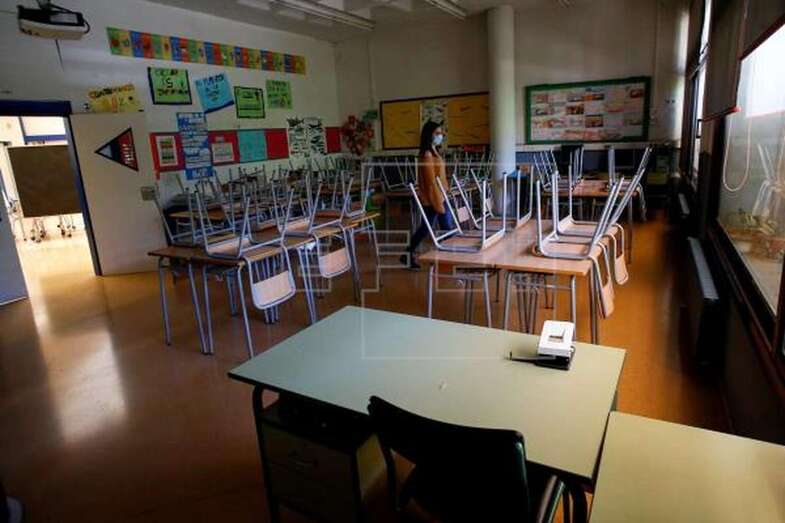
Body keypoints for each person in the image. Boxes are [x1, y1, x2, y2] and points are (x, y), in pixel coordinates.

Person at [401, 121, 454, 269]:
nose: (440, 136)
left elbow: (440, 177)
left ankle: (407, 254)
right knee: (445, 228)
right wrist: (439, 204)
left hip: (440, 196)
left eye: (441, 133)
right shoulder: (427, 155)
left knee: (430, 228)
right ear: (429, 135)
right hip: (433, 199)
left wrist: (447, 190)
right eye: (437, 133)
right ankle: (451, 259)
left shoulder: (434, 151)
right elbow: (431, 183)